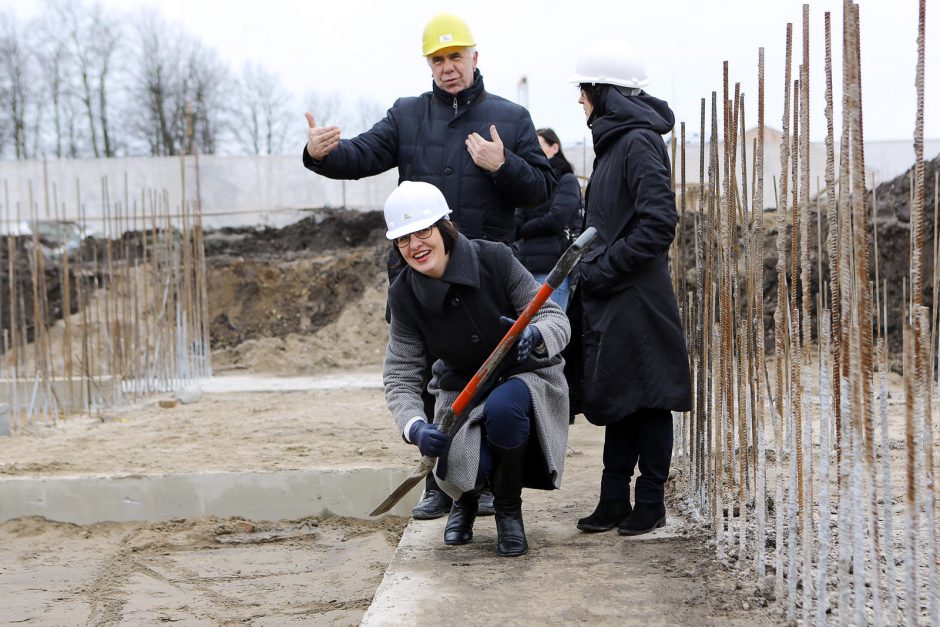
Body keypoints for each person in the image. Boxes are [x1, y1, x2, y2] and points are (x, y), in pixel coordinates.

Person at [303, 12, 555, 520]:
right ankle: (439, 483)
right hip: (420, 283)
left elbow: (543, 191)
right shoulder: (407, 115)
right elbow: (358, 155)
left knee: (492, 382)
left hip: (487, 279)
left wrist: (502, 164)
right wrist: (319, 155)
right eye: (437, 60)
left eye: (455, 57)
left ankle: (487, 484)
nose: (447, 68)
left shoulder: (509, 118)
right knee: (425, 382)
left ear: (474, 58)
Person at [382, 181, 571, 557]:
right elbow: (400, 374)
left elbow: (554, 316)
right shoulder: (404, 294)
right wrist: (414, 427)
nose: (415, 245)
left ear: (444, 227)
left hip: (524, 375)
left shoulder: (494, 259)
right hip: (461, 392)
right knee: (460, 461)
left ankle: (507, 510)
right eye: (403, 239)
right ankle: (465, 501)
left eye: (423, 231)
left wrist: (534, 335)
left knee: (505, 408)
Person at [565, 40, 692, 536]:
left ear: (604, 93)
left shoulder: (638, 142)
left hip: (637, 295)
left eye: (585, 91)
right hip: (613, 295)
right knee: (621, 397)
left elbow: (659, 223)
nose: (580, 100)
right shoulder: (614, 143)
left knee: (651, 398)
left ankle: (651, 502)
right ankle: (613, 499)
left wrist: (603, 268)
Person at [513, 128, 583, 311]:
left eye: (539, 145)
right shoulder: (531, 184)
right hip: (526, 268)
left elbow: (556, 219)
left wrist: (526, 228)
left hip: (553, 269)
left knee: (549, 331)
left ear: (555, 148)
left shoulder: (566, 180)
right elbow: (516, 223)